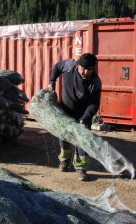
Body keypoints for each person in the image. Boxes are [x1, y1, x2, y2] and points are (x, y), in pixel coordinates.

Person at [48, 53, 102, 181]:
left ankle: (81, 168)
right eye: (83, 68)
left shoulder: (95, 81)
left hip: (82, 114)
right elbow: (57, 67)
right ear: (77, 65)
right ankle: (64, 161)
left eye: (89, 69)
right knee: (64, 137)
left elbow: (94, 104)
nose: (85, 72)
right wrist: (52, 81)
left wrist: (85, 118)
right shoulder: (69, 65)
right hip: (65, 111)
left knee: (83, 141)